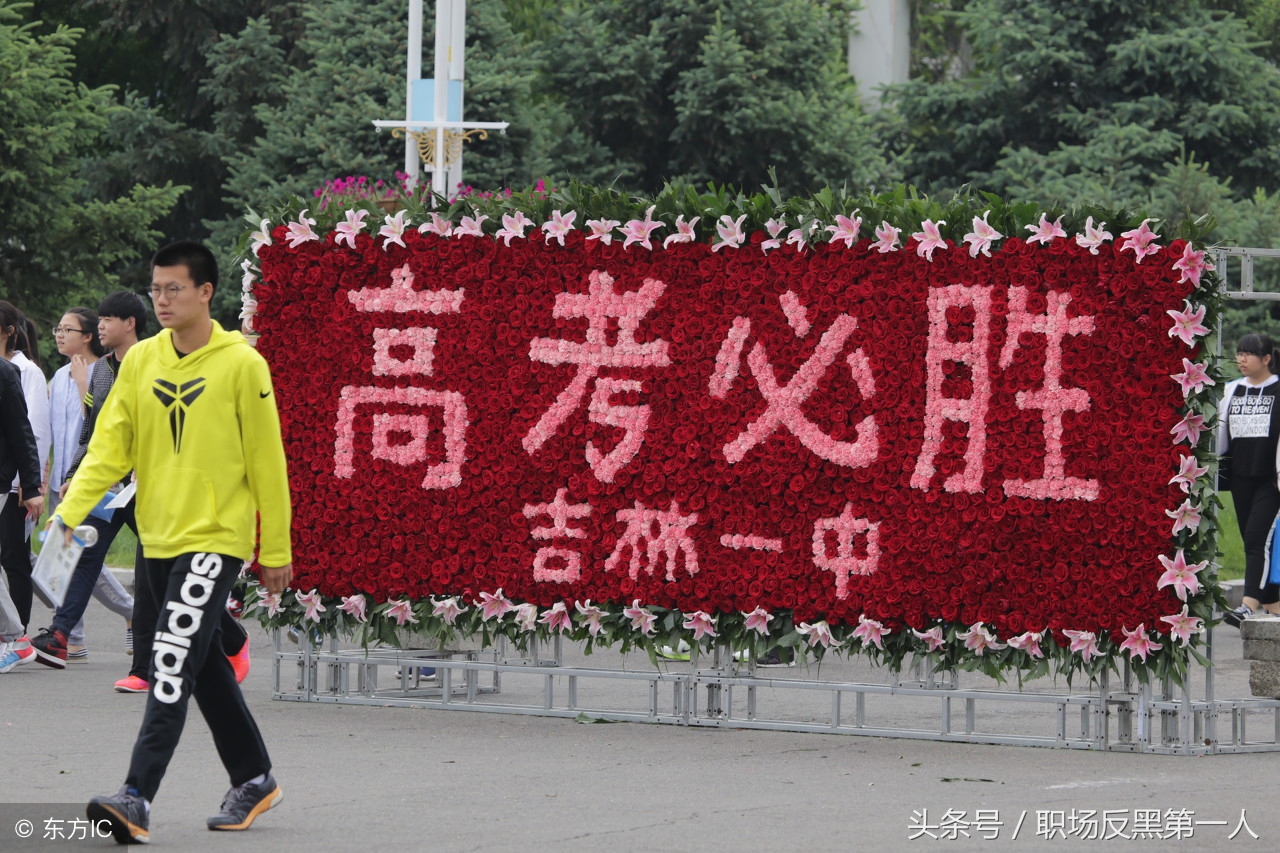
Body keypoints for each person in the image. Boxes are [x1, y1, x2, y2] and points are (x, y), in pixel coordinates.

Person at [49, 241, 292, 843]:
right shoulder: (141, 361)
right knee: (201, 662)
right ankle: (255, 777)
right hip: (157, 536)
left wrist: (277, 549)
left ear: (206, 292)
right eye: (156, 289)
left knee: (169, 661)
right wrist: (69, 514)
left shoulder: (243, 365)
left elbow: (269, 463)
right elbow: (111, 444)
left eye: (174, 289)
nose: (161, 299)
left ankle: (136, 796)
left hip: (216, 538)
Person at [36, 307, 135, 661]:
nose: (60, 335)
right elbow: (85, 432)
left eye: (68, 329)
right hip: (95, 484)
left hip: (136, 485)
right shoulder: (84, 373)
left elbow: (126, 426)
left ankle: (207, 633)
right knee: (82, 555)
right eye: (57, 328)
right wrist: (70, 475)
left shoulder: (143, 365)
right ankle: (62, 635)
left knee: (162, 560)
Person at [1217, 333, 1280, 626]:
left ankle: (1247, 605)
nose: (1241, 359)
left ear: (1266, 359)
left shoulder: (1278, 390)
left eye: (1248, 354)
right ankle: (1273, 603)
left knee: (1257, 540)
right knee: (1252, 542)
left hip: (1271, 480)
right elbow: (1219, 436)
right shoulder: (1231, 391)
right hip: (1241, 479)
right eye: (1239, 353)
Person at [0, 301, 49, 633]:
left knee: (14, 560)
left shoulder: (21, 371)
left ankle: (18, 634)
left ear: (9, 332)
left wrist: (28, 486)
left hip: (10, 482)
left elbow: (30, 431)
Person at [0, 345, 43, 672]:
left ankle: (17, 637)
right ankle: (15, 636)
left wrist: (30, 486)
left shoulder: (5, 372)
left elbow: (22, 431)